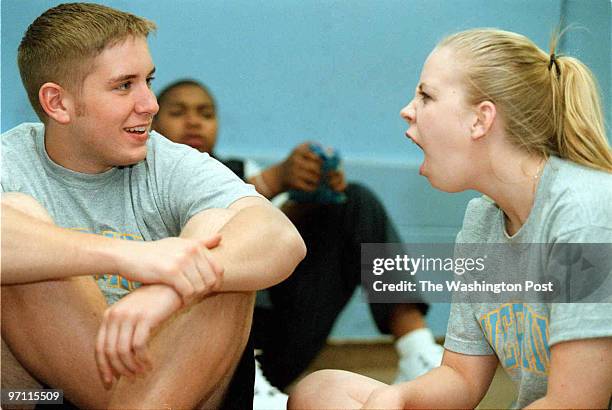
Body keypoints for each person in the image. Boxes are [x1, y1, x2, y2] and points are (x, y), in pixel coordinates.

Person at [1, 3, 306, 410]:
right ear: (58, 104)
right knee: (19, 225)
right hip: (47, 397)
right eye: (124, 85)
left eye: (148, 80)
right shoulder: (12, 160)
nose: (150, 104)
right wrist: (133, 256)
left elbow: (282, 238)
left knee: (218, 235)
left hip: (169, 384)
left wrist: (169, 289)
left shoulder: (166, 161)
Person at [287, 28, 612, 409]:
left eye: (426, 95)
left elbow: (576, 404)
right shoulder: (483, 220)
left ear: (481, 119)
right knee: (321, 392)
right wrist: (397, 398)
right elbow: (461, 377)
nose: (407, 110)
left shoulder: (585, 210)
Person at [152, 79, 444, 395]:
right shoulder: (149, 180)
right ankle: (246, 374)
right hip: (198, 353)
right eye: (178, 112)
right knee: (236, 233)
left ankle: (417, 350)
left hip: (280, 336)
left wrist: (312, 194)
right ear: (153, 122)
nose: (194, 121)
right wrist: (270, 181)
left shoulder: (236, 168)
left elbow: (278, 236)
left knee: (354, 201)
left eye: (206, 114)